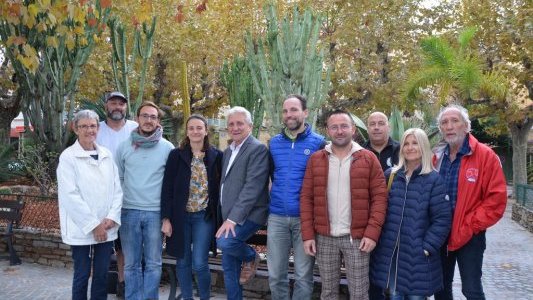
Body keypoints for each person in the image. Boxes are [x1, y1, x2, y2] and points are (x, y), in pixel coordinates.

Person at [300, 109, 388, 300]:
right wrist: (308, 235)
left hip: (357, 238)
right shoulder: (316, 159)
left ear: (353, 129)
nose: (339, 131)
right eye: (334, 127)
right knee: (328, 292)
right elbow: (306, 198)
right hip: (324, 238)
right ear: (328, 130)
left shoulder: (368, 158)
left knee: (359, 293)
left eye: (344, 126)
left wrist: (372, 233)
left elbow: (380, 198)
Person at [433, 104, 507, 300]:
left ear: (466, 126)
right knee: (440, 289)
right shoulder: (436, 157)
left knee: (472, 290)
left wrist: (470, 225)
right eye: (444, 123)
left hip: (470, 235)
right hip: (439, 235)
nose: (449, 126)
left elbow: (496, 200)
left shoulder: (485, 156)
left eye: (454, 121)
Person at [370, 128, 452, 299]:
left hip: (418, 258)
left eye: (415, 143)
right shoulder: (390, 176)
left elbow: (442, 219)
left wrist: (427, 248)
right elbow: (378, 209)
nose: (410, 147)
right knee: (394, 296)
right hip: (391, 256)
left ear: (423, 147)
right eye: (406, 143)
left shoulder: (434, 180)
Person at [57, 109, 122, 300]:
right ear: (75, 129)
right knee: (82, 274)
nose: (89, 130)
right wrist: (94, 225)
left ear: (98, 128)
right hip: (82, 228)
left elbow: (117, 189)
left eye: (92, 126)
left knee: (101, 275)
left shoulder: (107, 155)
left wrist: (111, 217)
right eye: (83, 126)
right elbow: (70, 195)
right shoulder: (68, 158)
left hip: (107, 225)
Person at [267, 94, 325, 300]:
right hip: (277, 218)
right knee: (275, 275)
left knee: (303, 276)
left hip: (305, 220)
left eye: (293, 110)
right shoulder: (273, 143)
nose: (289, 115)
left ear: (305, 113)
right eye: (285, 111)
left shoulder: (319, 143)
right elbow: (273, 176)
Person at [115, 101, 174, 300]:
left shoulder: (167, 148)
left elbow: (170, 184)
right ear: (137, 119)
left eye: (153, 117)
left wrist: (167, 217)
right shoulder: (123, 147)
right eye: (145, 116)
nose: (149, 120)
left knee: (153, 263)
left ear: (158, 121)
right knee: (131, 263)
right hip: (129, 212)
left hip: (155, 213)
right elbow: (119, 179)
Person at [161, 114, 223, 300]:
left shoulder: (217, 156)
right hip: (180, 217)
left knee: (200, 263)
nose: (195, 131)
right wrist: (165, 219)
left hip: (204, 217)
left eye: (199, 128)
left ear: (205, 131)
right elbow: (167, 188)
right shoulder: (176, 155)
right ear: (186, 132)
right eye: (191, 128)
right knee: (183, 261)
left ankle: (204, 297)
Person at [215, 106, 270, 300]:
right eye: (231, 124)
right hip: (229, 214)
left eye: (240, 123)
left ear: (250, 126)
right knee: (229, 267)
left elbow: (252, 188)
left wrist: (232, 219)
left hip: (249, 215)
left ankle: (251, 256)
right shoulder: (229, 151)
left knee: (225, 242)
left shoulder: (257, 149)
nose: (235, 127)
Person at [96, 91, 138, 297]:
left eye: (121, 104)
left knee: (124, 246)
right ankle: (99, 287)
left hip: (129, 195)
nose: (117, 107)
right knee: (100, 244)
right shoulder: (97, 130)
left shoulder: (135, 129)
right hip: (101, 195)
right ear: (106, 106)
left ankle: (123, 284)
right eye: (113, 103)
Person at [364, 111, 400, 300]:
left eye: (381, 123)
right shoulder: (359, 152)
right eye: (372, 124)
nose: (376, 127)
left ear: (389, 126)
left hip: (394, 223)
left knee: (396, 278)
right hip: (366, 223)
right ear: (367, 128)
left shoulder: (402, 151)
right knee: (372, 278)